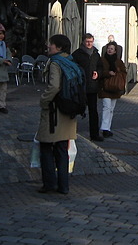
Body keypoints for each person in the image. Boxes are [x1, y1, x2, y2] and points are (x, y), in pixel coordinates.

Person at [36, 34, 78, 194]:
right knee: (62, 149)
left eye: (51, 44)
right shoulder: (71, 61)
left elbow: (54, 86)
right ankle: (64, 185)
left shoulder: (56, 63)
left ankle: (49, 183)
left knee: (46, 147)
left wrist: (44, 101)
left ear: (59, 47)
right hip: (69, 111)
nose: (48, 46)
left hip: (54, 112)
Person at [71, 33, 102, 141]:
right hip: (80, 87)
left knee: (93, 111)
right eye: (87, 41)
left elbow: (100, 67)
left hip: (92, 87)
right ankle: (70, 133)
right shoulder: (77, 54)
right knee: (75, 109)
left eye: (91, 41)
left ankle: (95, 134)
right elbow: (73, 68)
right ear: (83, 42)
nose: (89, 44)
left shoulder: (96, 54)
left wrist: (98, 73)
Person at [98, 42, 127, 138]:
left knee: (111, 109)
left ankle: (108, 128)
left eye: (112, 49)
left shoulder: (119, 62)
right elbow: (99, 72)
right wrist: (107, 73)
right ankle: (104, 128)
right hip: (105, 87)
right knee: (106, 107)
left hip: (115, 88)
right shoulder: (102, 60)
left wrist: (118, 71)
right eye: (108, 48)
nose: (109, 50)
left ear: (115, 51)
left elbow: (124, 72)